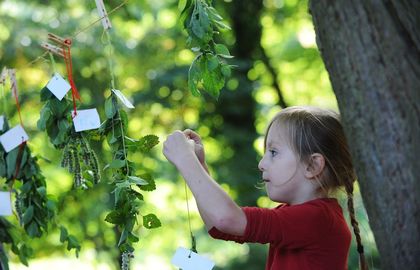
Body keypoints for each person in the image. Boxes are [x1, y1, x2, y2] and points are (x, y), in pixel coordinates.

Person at [163, 106, 368, 270]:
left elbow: (227, 219)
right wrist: (198, 167)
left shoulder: (320, 219)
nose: (261, 163)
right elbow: (219, 227)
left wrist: (186, 160)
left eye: (273, 152)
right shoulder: (296, 216)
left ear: (312, 165)